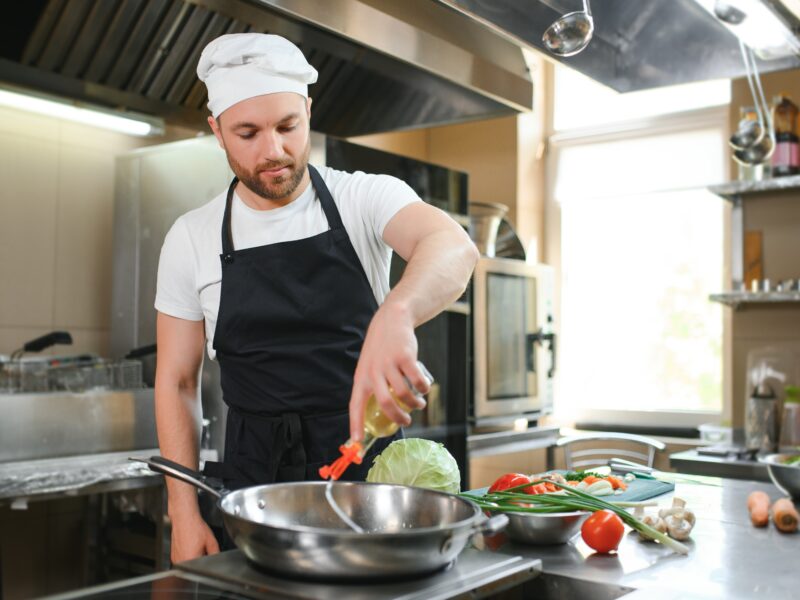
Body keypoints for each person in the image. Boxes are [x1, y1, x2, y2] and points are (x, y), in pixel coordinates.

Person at [154, 33, 478, 563]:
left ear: (308, 110)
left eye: (287, 126)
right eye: (247, 133)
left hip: (368, 487)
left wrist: (396, 313)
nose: (274, 151)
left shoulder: (363, 197)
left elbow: (452, 246)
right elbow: (177, 381)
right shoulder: (192, 237)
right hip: (252, 493)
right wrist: (184, 513)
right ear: (217, 131)